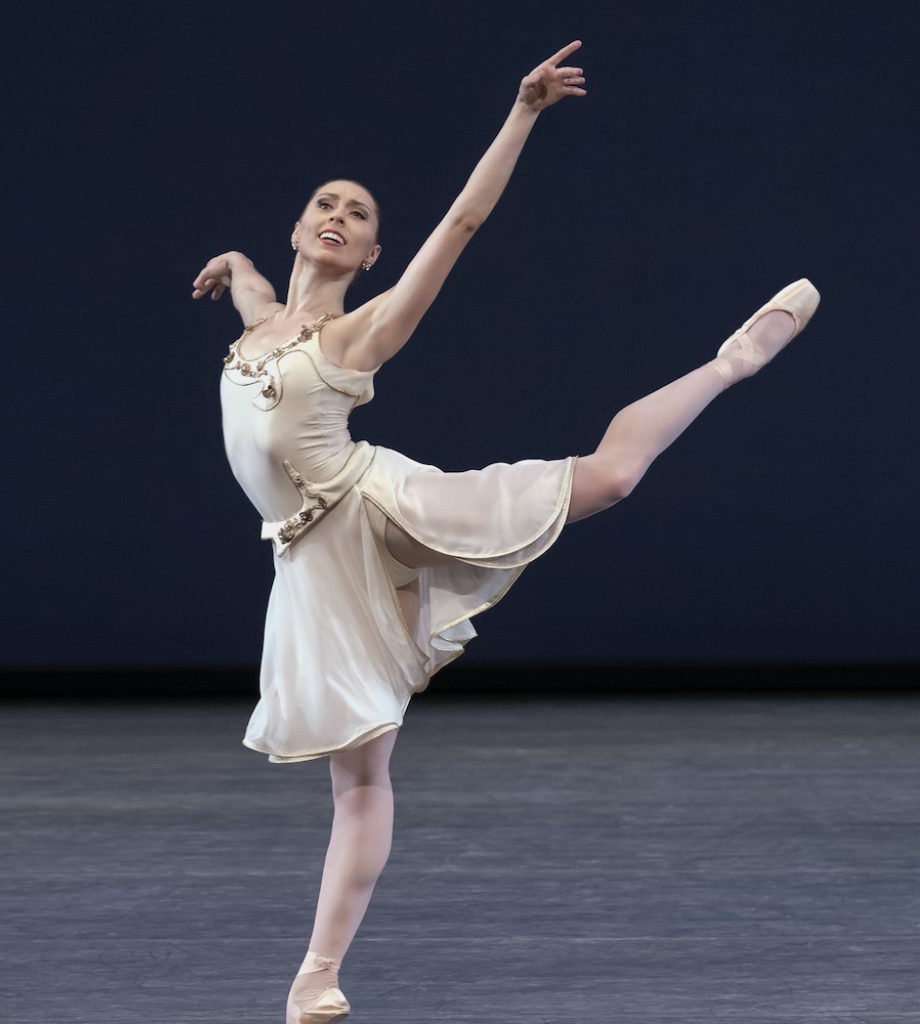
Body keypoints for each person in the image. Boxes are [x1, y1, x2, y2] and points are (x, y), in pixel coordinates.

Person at [191, 39, 819, 1024]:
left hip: (375, 508)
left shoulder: (361, 332)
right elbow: (251, 291)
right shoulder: (262, 316)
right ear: (298, 226)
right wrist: (231, 264)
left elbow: (464, 219)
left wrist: (522, 111)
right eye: (327, 202)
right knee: (357, 778)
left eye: (357, 214)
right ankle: (318, 978)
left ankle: (728, 365)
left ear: (369, 256)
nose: (338, 215)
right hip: (308, 564)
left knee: (608, 477)